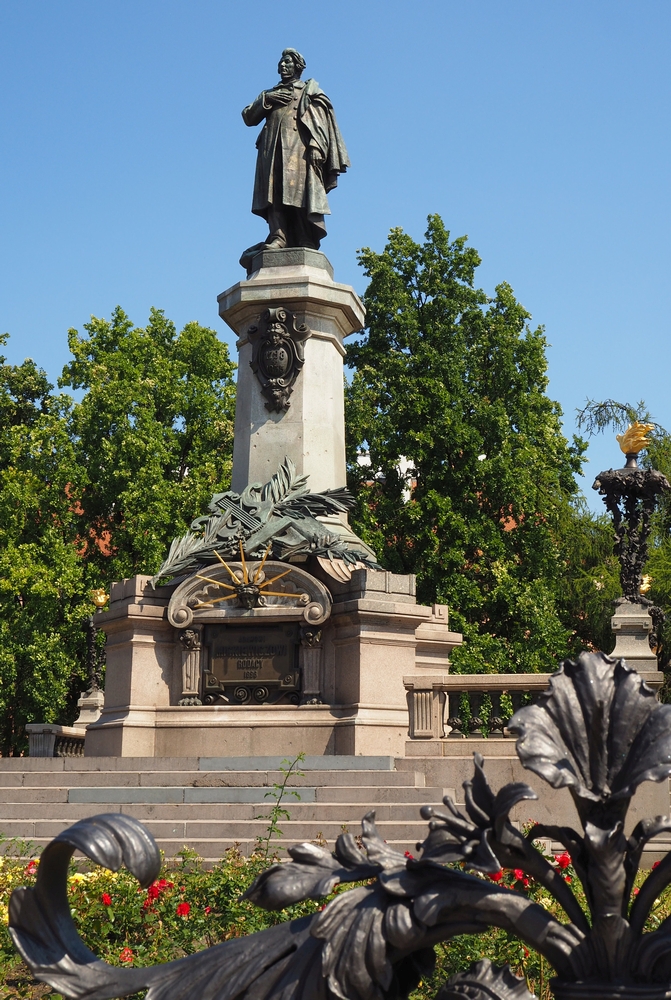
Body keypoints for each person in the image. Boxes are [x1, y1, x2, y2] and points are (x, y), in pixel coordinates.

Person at [241, 49, 350, 254]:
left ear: (297, 67)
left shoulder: (309, 91)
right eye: (281, 63)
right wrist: (268, 99)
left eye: (287, 62)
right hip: (271, 150)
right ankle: (278, 236)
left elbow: (320, 123)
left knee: (298, 193)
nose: (282, 66)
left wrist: (317, 146)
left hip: (298, 151)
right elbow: (248, 117)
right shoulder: (270, 93)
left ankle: (304, 236)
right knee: (274, 193)